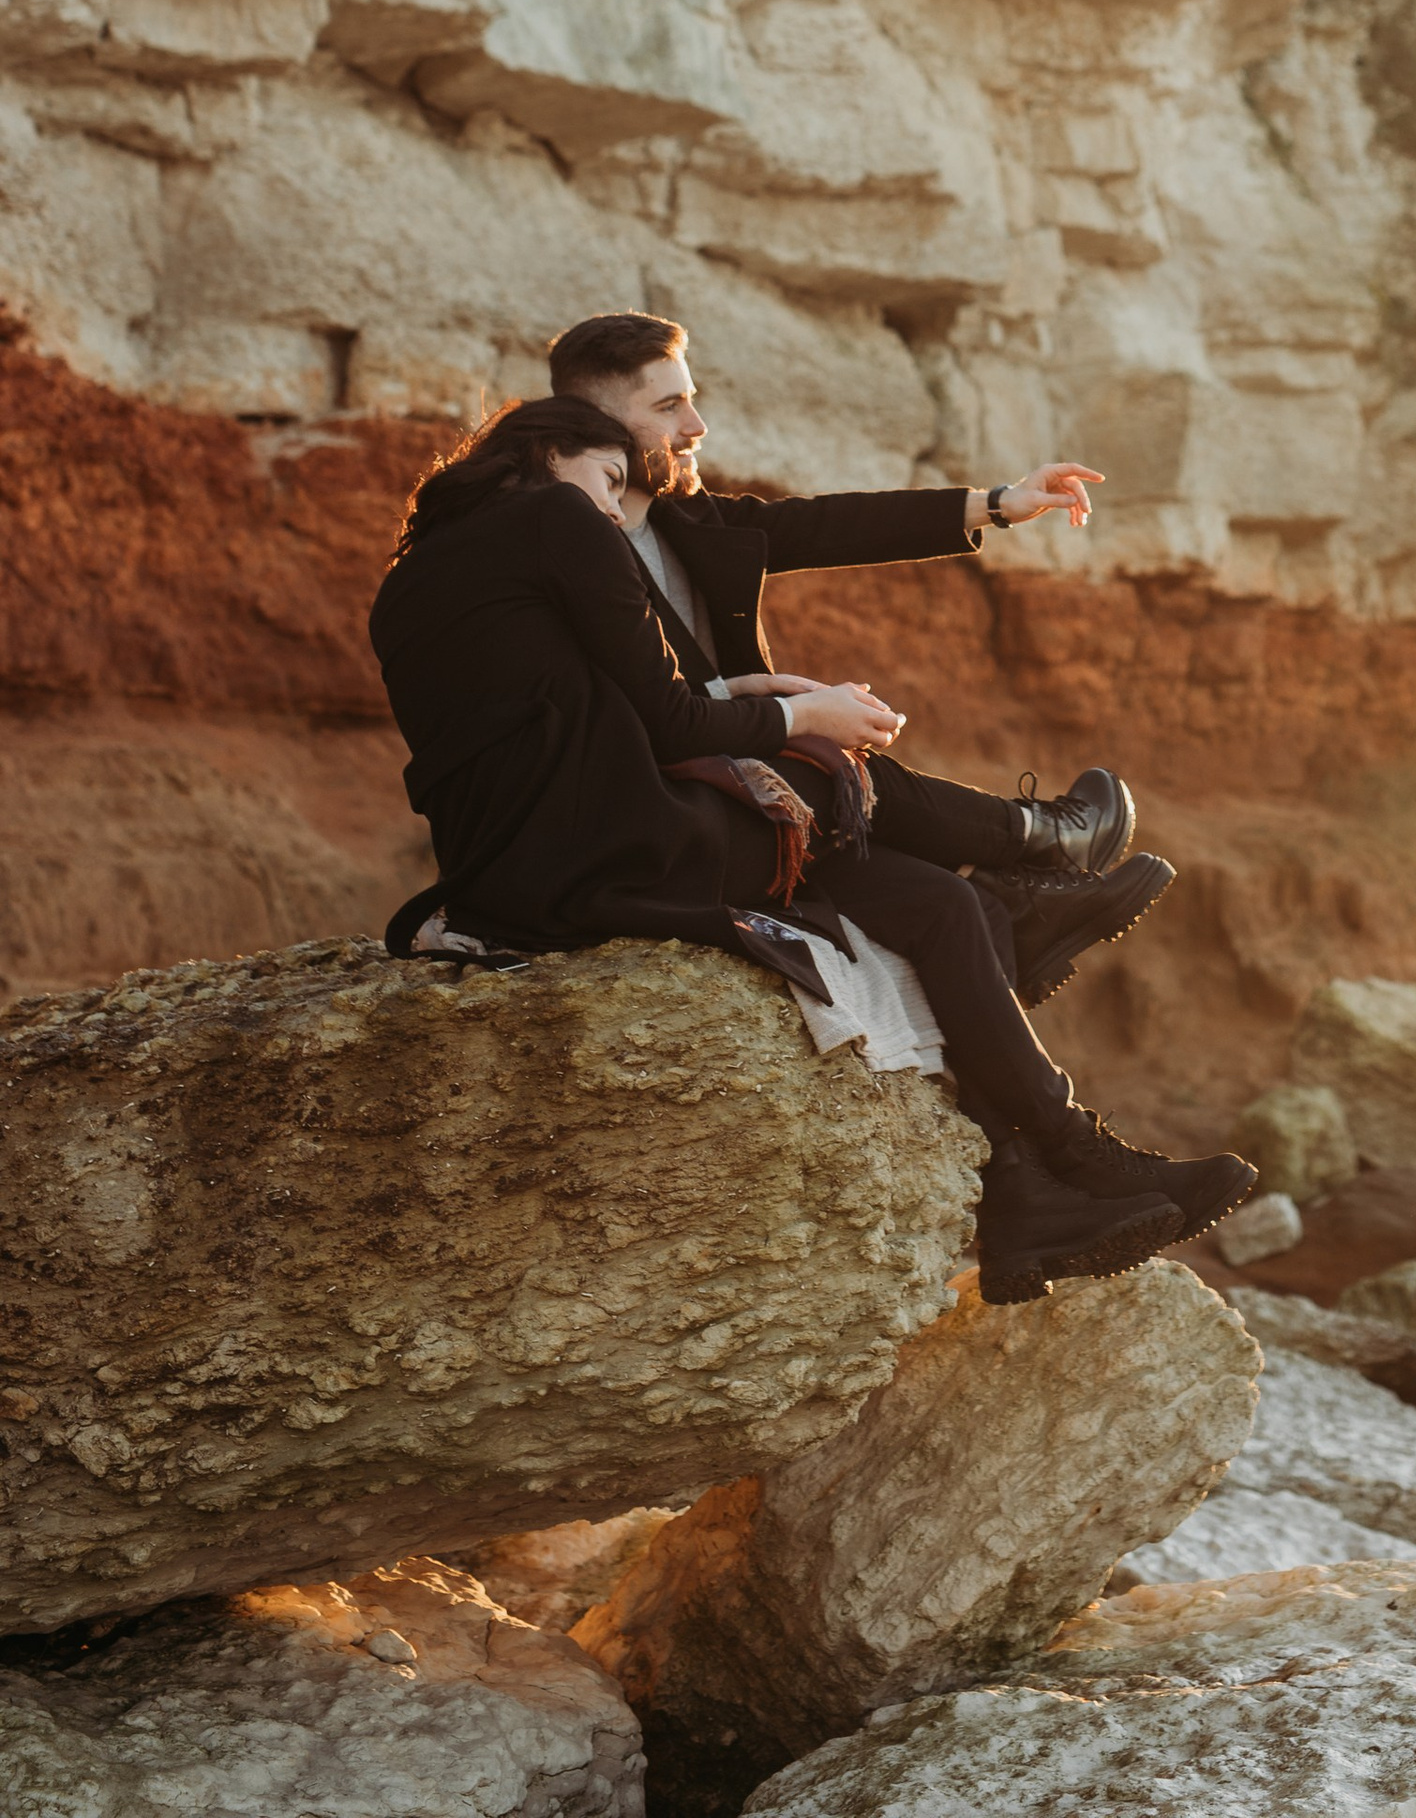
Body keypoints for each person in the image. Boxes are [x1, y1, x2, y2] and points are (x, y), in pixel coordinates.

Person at [370, 389, 1254, 1302]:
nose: (610, 507)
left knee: (946, 907)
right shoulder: (557, 514)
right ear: (550, 453)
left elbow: (576, 715)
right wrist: (803, 712)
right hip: (620, 856)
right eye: (605, 480)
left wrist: (749, 686)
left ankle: (1025, 1196)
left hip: (515, 883)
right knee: (831, 771)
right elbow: (667, 725)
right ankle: (1038, 903)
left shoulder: (413, 578)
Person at [541, 307, 1171, 1012]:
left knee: (956, 902)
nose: (696, 425)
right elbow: (635, 715)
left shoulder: (682, 519)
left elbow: (826, 525)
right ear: (592, 422)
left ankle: (1022, 939)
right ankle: (1041, 838)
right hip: (677, 819)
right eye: (669, 405)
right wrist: (787, 711)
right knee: (846, 771)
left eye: (693, 398)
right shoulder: (571, 549)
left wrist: (997, 503)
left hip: (747, 791)